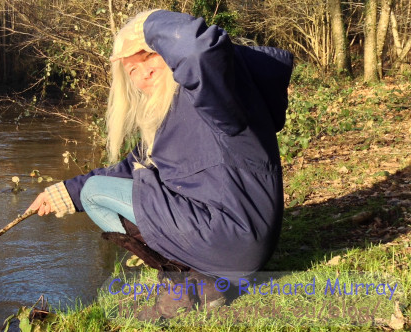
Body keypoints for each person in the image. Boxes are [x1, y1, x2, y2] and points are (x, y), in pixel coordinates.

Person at [27, 9, 293, 320]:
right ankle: (203, 283)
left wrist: (145, 24)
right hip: (234, 243)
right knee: (94, 190)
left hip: (233, 238)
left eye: (150, 56)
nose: (142, 73)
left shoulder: (216, 97)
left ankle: (178, 281)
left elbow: (197, 50)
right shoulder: (165, 121)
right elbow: (127, 170)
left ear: (167, 51)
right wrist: (61, 193)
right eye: (131, 70)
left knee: (95, 192)